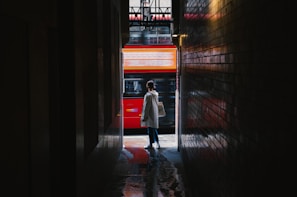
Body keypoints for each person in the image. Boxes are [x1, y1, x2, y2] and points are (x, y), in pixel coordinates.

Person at [141, 80, 160, 149]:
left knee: (150, 130)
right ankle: (157, 143)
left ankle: (151, 144)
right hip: (154, 114)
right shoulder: (156, 94)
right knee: (154, 129)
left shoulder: (148, 95)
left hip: (149, 115)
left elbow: (146, 107)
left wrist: (144, 116)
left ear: (147, 87)